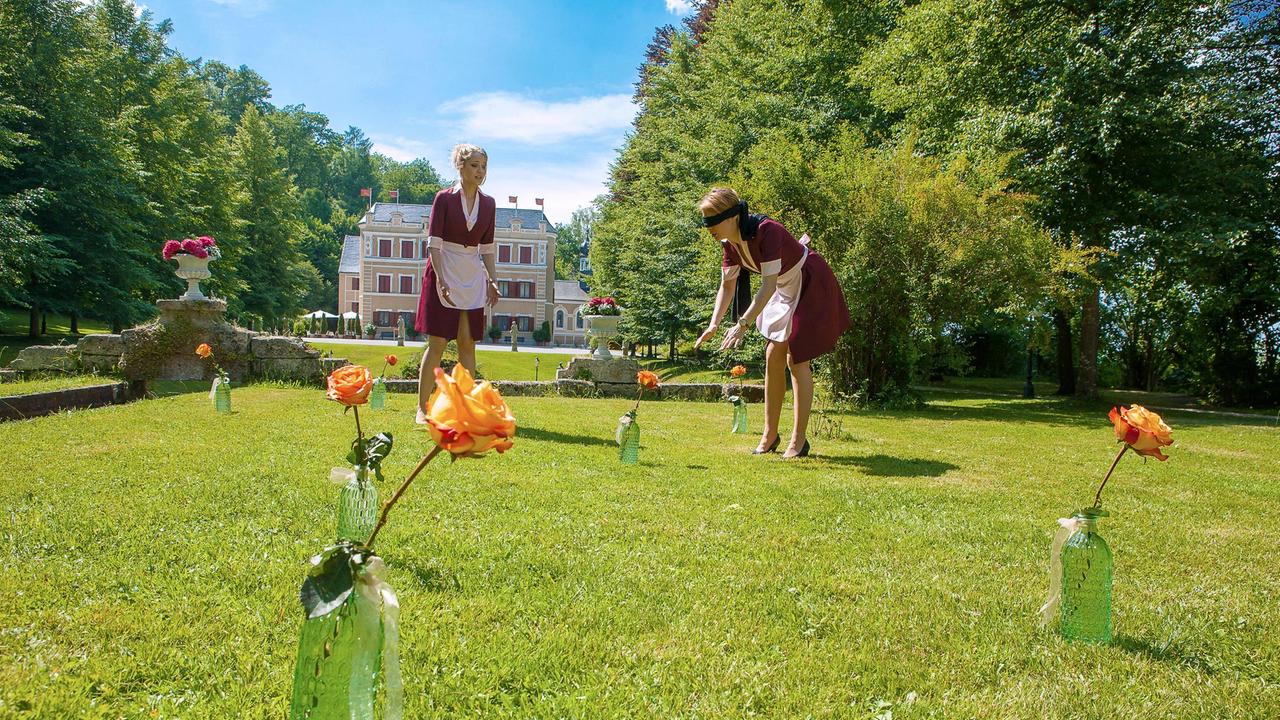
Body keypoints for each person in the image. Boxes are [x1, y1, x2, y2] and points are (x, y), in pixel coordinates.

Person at [694, 187, 851, 458]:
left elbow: (766, 288)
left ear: (731, 216)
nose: (708, 228)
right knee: (772, 354)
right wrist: (714, 324)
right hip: (784, 287)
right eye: (705, 221)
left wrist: (742, 324)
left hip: (810, 280)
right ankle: (769, 435)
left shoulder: (768, 231)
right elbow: (728, 286)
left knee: (796, 357)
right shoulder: (730, 245)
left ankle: (798, 441)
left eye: (712, 220)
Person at [415, 144, 501, 421]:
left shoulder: (489, 204)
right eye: (474, 165)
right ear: (460, 166)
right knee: (437, 343)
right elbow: (434, 244)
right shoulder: (444, 198)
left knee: (467, 343)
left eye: (483, 166)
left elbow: (486, 247)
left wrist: (492, 280)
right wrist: (440, 279)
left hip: (471, 274)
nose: (480, 171)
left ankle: (465, 410)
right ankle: (422, 408)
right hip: (444, 268)